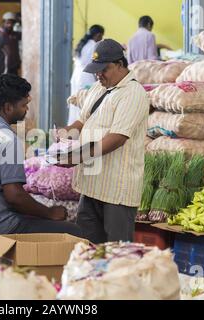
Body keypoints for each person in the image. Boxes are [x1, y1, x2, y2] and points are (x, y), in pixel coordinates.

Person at [0, 74, 82, 250]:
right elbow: (15, 196)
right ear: (8, 107)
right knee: (76, 234)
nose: (26, 110)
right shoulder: (8, 140)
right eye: (23, 105)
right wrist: (49, 212)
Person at [56, 39, 149, 244]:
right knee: (88, 248)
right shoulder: (99, 88)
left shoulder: (133, 94)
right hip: (91, 185)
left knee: (117, 252)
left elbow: (117, 138)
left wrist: (76, 157)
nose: (99, 75)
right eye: (96, 70)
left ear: (119, 64)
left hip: (116, 190)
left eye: (104, 69)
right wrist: (66, 131)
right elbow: (83, 120)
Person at [69, 25, 105, 125]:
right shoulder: (94, 45)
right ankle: (83, 127)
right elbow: (94, 63)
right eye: (101, 36)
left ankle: (74, 127)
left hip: (76, 75)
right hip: (85, 76)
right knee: (86, 102)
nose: (101, 39)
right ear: (98, 35)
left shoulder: (83, 44)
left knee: (76, 102)